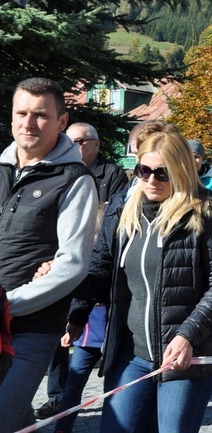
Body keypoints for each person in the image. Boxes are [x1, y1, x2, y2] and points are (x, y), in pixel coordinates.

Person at [72, 126, 212, 432]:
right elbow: (101, 274)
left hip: (186, 356)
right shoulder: (123, 210)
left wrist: (188, 335)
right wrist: (67, 278)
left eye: (163, 173)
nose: (151, 180)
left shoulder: (203, 210)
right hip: (130, 355)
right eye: (143, 170)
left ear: (182, 170)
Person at [0, 78, 98, 432]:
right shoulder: (0, 170)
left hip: (31, 327)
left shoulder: (74, 180)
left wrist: (7, 305)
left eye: (40, 115)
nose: (28, 123)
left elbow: (71, 265)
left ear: (62, 121)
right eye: (22, 113)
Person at [34, 121, 129, 420]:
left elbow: (113, 219)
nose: (72, 146)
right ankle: (56, 395)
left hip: (97, 260)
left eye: (79, 141)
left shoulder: (112, 174)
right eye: (69, 140)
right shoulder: (61, 170)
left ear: (95, 144)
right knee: (61, 330)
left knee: (85, 337)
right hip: (61, 255)